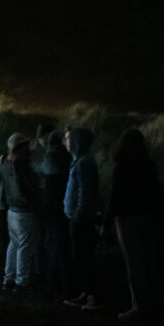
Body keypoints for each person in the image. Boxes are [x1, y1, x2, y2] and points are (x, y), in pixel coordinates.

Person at [102, 128, 164, 321]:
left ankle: (139, 308)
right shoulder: (149, 165)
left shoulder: (122, 166)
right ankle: (155, 305)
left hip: (128, 220)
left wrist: (107, 222)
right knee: (150, 263)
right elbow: (157, 194)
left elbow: (115, 197)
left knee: (135, 265)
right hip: (149, 217)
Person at [0, 132, 42, 292]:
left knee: (14, 245)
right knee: (25, 246)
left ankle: (9, 279)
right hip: (24, 210)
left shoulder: (5, 161)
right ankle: (22, 282)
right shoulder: (22, 163)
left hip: (10, 209)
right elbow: (31, 185)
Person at [62, 126, 103, 310]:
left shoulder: (84, 163)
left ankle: (93, 296)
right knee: (81, 257)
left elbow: (85, 194)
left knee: (83, 257)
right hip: (78, 217)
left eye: (69, 139)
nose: (66, 142)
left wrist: (78, 214)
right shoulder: (79, 161)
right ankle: (88, 293)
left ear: (77, 142)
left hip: (81, 219)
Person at [39, 129, 74, 299]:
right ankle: (66, 285)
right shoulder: (66, 158)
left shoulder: (48, 158)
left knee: (52, 247)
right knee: (62, 248)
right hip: (63, 208)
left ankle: (54, 285)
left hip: (50, 209)